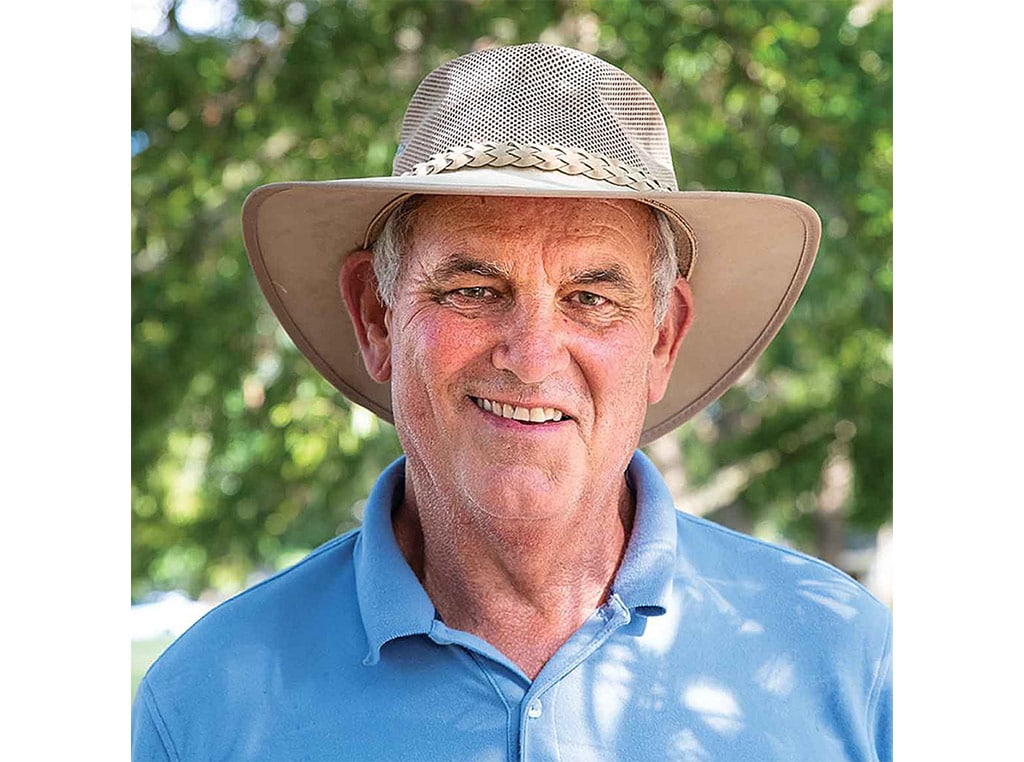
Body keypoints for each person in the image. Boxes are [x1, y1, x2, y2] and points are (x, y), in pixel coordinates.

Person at [132, 43, 891, 761]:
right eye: (472, 291)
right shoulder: (208, 699)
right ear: (377, 316)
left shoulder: (848, 657)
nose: (531, 359)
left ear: (663, 339)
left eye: (591, 298)